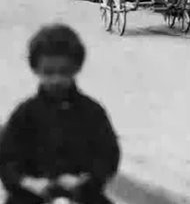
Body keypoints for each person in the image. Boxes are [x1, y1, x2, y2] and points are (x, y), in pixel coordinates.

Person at [0, 24, 120, 204]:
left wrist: (87, 179)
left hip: (81, 194)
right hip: (31, 195)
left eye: (64, 72)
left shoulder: (91, 112)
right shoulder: (25, 114)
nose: (56, 79)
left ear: (76, 68)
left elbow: (108, 153)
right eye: (48, 73)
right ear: (36, 69)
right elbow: (7, 158)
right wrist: (27, 181)